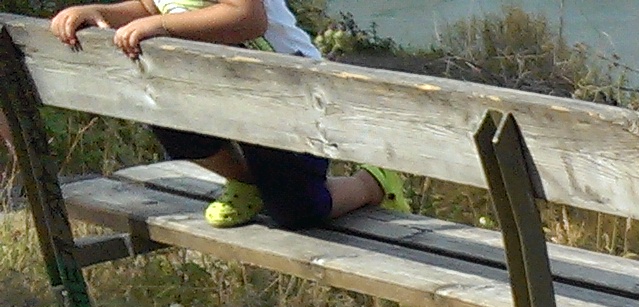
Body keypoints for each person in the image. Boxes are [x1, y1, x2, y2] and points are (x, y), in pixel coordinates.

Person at [48, 2, 405, 229]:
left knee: (297, 210)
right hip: (220, 87)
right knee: (167, 118)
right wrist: (100, 12)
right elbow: (148, 5)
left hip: (289, 91)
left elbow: (247, 17)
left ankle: (372, 184)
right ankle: (248, 183)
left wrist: (162, 25)